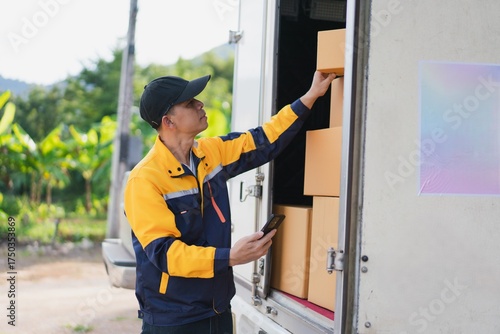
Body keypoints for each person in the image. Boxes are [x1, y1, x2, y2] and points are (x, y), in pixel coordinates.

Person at [124, 70, 336, 333]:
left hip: (218, 309)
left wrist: (310, 96)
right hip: (174, 320)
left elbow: (264, 140)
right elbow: (166, 255)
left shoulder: (210, 152)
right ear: (169, 121)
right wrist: (230, 257)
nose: (200, 104)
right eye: (190, 103)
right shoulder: (144, 180)